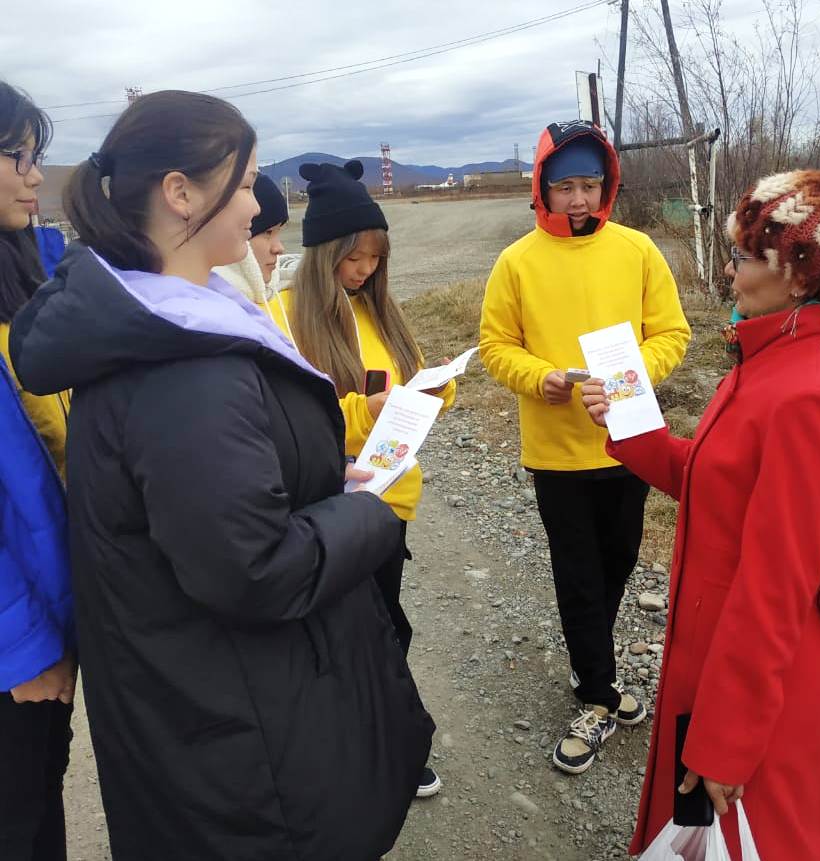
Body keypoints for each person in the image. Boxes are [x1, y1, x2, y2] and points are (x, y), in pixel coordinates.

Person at [10, 90, 434, 861]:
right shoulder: (178, 363)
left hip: (217, 703)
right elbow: (252, 566)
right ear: (180, 193)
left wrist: (311, 475)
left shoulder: (175, 317)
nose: (256, 205)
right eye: (242, 184)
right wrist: (367, 507)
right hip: (236, 744)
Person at [582, 170, 820, 861]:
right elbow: (717, 482)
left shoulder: (809, 394)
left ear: (799, 276)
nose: (729, 269)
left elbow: (776, 587)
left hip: (755, 687)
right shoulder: (773, 358)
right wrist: (628, 425)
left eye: (745, 256)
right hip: (720, 655)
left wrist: (726, 742)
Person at [478, 120, 690, 774]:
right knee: (578, 574)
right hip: (557, 454)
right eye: (565, 186)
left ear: (607, 186)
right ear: (542, 188)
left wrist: (626, 379)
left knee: (618, 562)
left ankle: (589, 660)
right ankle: (597, 694)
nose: (578, 199)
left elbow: (672, 333)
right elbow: (495, 345)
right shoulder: (517, 262)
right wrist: (538, 377)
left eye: (589, 185)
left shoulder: (638, 251)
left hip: (630, 444)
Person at [289, 159, 455, 798]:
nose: (363, 271)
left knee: (383, 624)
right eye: (353, 258)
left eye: (375, 259)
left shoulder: (379, 311)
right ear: (322, 252)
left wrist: (437, 389)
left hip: (390, 500)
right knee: (362, 632)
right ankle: (375, 745)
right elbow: (290, 422)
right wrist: (365, 411)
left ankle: (376, 743)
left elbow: (409, 378)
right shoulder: (284, 318)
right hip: (327, 504)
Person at [0, 80, 75, 861]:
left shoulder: (39, 272)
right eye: (18, 155)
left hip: (54, 609)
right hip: (13, 644)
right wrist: (20, 646)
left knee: (41, 795)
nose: (35, 175)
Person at [213, 173, 293, 339]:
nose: (279, 248)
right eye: (268, 232)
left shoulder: (285, 296)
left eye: (279, 232)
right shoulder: (212, 319)